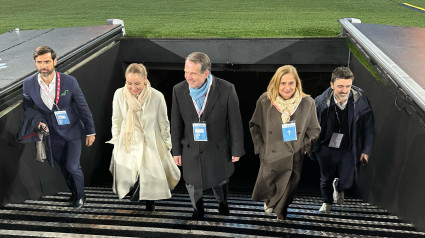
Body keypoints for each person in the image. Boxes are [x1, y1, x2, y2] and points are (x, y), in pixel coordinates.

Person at [171, 52, 245, 220]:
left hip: (217, 148)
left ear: (206, 73)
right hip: (190, 149)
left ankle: (222, 203)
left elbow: (235, 122)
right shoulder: (178, 89)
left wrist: (237, 149)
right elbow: (176, 123)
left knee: (220, 181)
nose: (187, 77)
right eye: (186, 72)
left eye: (192, 73)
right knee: (191, 183)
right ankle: (198, 210)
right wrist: (176, 151)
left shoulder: (226, 89)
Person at [22, 46, 96, 208]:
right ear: (35, 63)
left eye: (47, 62)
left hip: (72, 132)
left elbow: (83, 107)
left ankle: (81, 197)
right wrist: (38, 121)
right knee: (63, 167)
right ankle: (74, 193)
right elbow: (27, 105)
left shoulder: (69, 81)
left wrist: (90, 131)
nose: (44, 66)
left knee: (72, 166)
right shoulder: (28, 84)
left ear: (55, 61)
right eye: (39, 62)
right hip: (51, 134)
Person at [249, 65, 321, 220]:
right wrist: (261, 149)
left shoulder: (307, 103)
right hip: (271, 155)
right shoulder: (265, 101)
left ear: (297, 84)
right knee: (270, 188)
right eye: (283, 83)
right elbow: (255, 125)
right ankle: (269, 201)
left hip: (294, 155)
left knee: (286, 195)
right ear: (276, 83)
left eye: (291, 83)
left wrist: (304, 148)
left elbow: (314, 129)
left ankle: (281, 214)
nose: (287, 88)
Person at [107, 63, 180, 211]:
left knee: (149, 175)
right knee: (129, 174)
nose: (133, 88)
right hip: (128, 142)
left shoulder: (157, 96)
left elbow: (163, 122)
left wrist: (167, 143)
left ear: (145, 79)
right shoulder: (119, 94)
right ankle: (136, 193)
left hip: (151, 142)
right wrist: (116, 140)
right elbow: (116, 119)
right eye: (129, 83)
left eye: (137, 83)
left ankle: (150, 202)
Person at [312, 66, 374, 212]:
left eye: (348, 86)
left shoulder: (361, 100)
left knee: (348, 179)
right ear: (332, 85)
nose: (344, 90)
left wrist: (366, 150)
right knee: (325, 178)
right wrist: (313, 149)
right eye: (340, 86)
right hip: (326, 146)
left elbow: (369, 127)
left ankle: (339, 186)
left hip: (349, 145)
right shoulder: (320, 102)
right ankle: (327, 203)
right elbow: (311, 126)